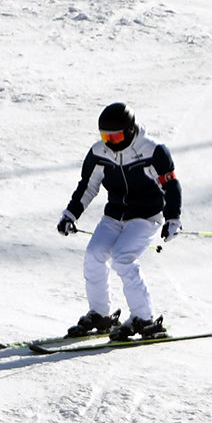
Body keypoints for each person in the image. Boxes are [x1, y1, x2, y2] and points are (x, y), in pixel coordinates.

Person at [56, 102, 182, 341]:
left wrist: (173, 218)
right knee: (94, 254)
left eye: (116, 136)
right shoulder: (99, 153)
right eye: (106, 137)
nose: (111, 142)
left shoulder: (153, 151)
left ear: (131, 130)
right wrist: (70, 214)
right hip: (114, 215)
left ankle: (145, 319)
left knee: (122, 258)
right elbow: (88, 186)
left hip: (146, 217)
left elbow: (170, 185)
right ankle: (100, 314)